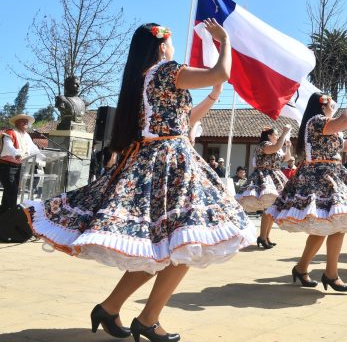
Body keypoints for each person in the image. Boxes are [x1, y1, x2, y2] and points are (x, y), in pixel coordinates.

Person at [24, 20, 257, 341]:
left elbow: (178, 120)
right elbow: (221, 73)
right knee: (188, 241)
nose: (173, 48)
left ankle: (111, 307)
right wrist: (225, 40)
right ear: (162, 46)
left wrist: (211, 100)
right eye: (171, 42)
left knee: (163, 245)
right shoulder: (167, 70)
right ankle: (147, 318)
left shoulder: (141, 79)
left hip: (150, 158)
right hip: (172, 163)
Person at [268, 92, 347, 292]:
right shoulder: (316, 121)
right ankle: (318, 271)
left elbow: (345, 145)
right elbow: (346, 120)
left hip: (332, 175)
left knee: (334, 224)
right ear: (322, 105)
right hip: (319, 177)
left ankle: (316, 270)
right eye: (330, 102)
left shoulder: (327, 124)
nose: (334, 105)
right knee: (326, 225)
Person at [237, 126, 292, 249]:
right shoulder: (264, 144)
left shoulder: (275, 147)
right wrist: (284, 134)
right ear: (269, 136)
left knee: (273, 209)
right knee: (269, 208)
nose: (277, 136)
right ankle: (262, 236)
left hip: (274, 176)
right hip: (265, 176)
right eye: (276, 134)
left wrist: (288, 147)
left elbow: (287, 159)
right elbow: (276, 147)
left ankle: (266, 236)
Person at [1, 113, 44, 214]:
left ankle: (4, 212)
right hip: (6, 166)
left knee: (9, 191)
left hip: (19, 166)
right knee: (12, 190)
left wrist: (42, 157)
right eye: (23, 121)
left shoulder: (27, 136)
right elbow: (8, 146)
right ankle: (14, 214)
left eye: (27, 121)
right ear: (16, 122)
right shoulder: (10, 132)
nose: (26, 123)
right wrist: (16, 153)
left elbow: (33, 149)